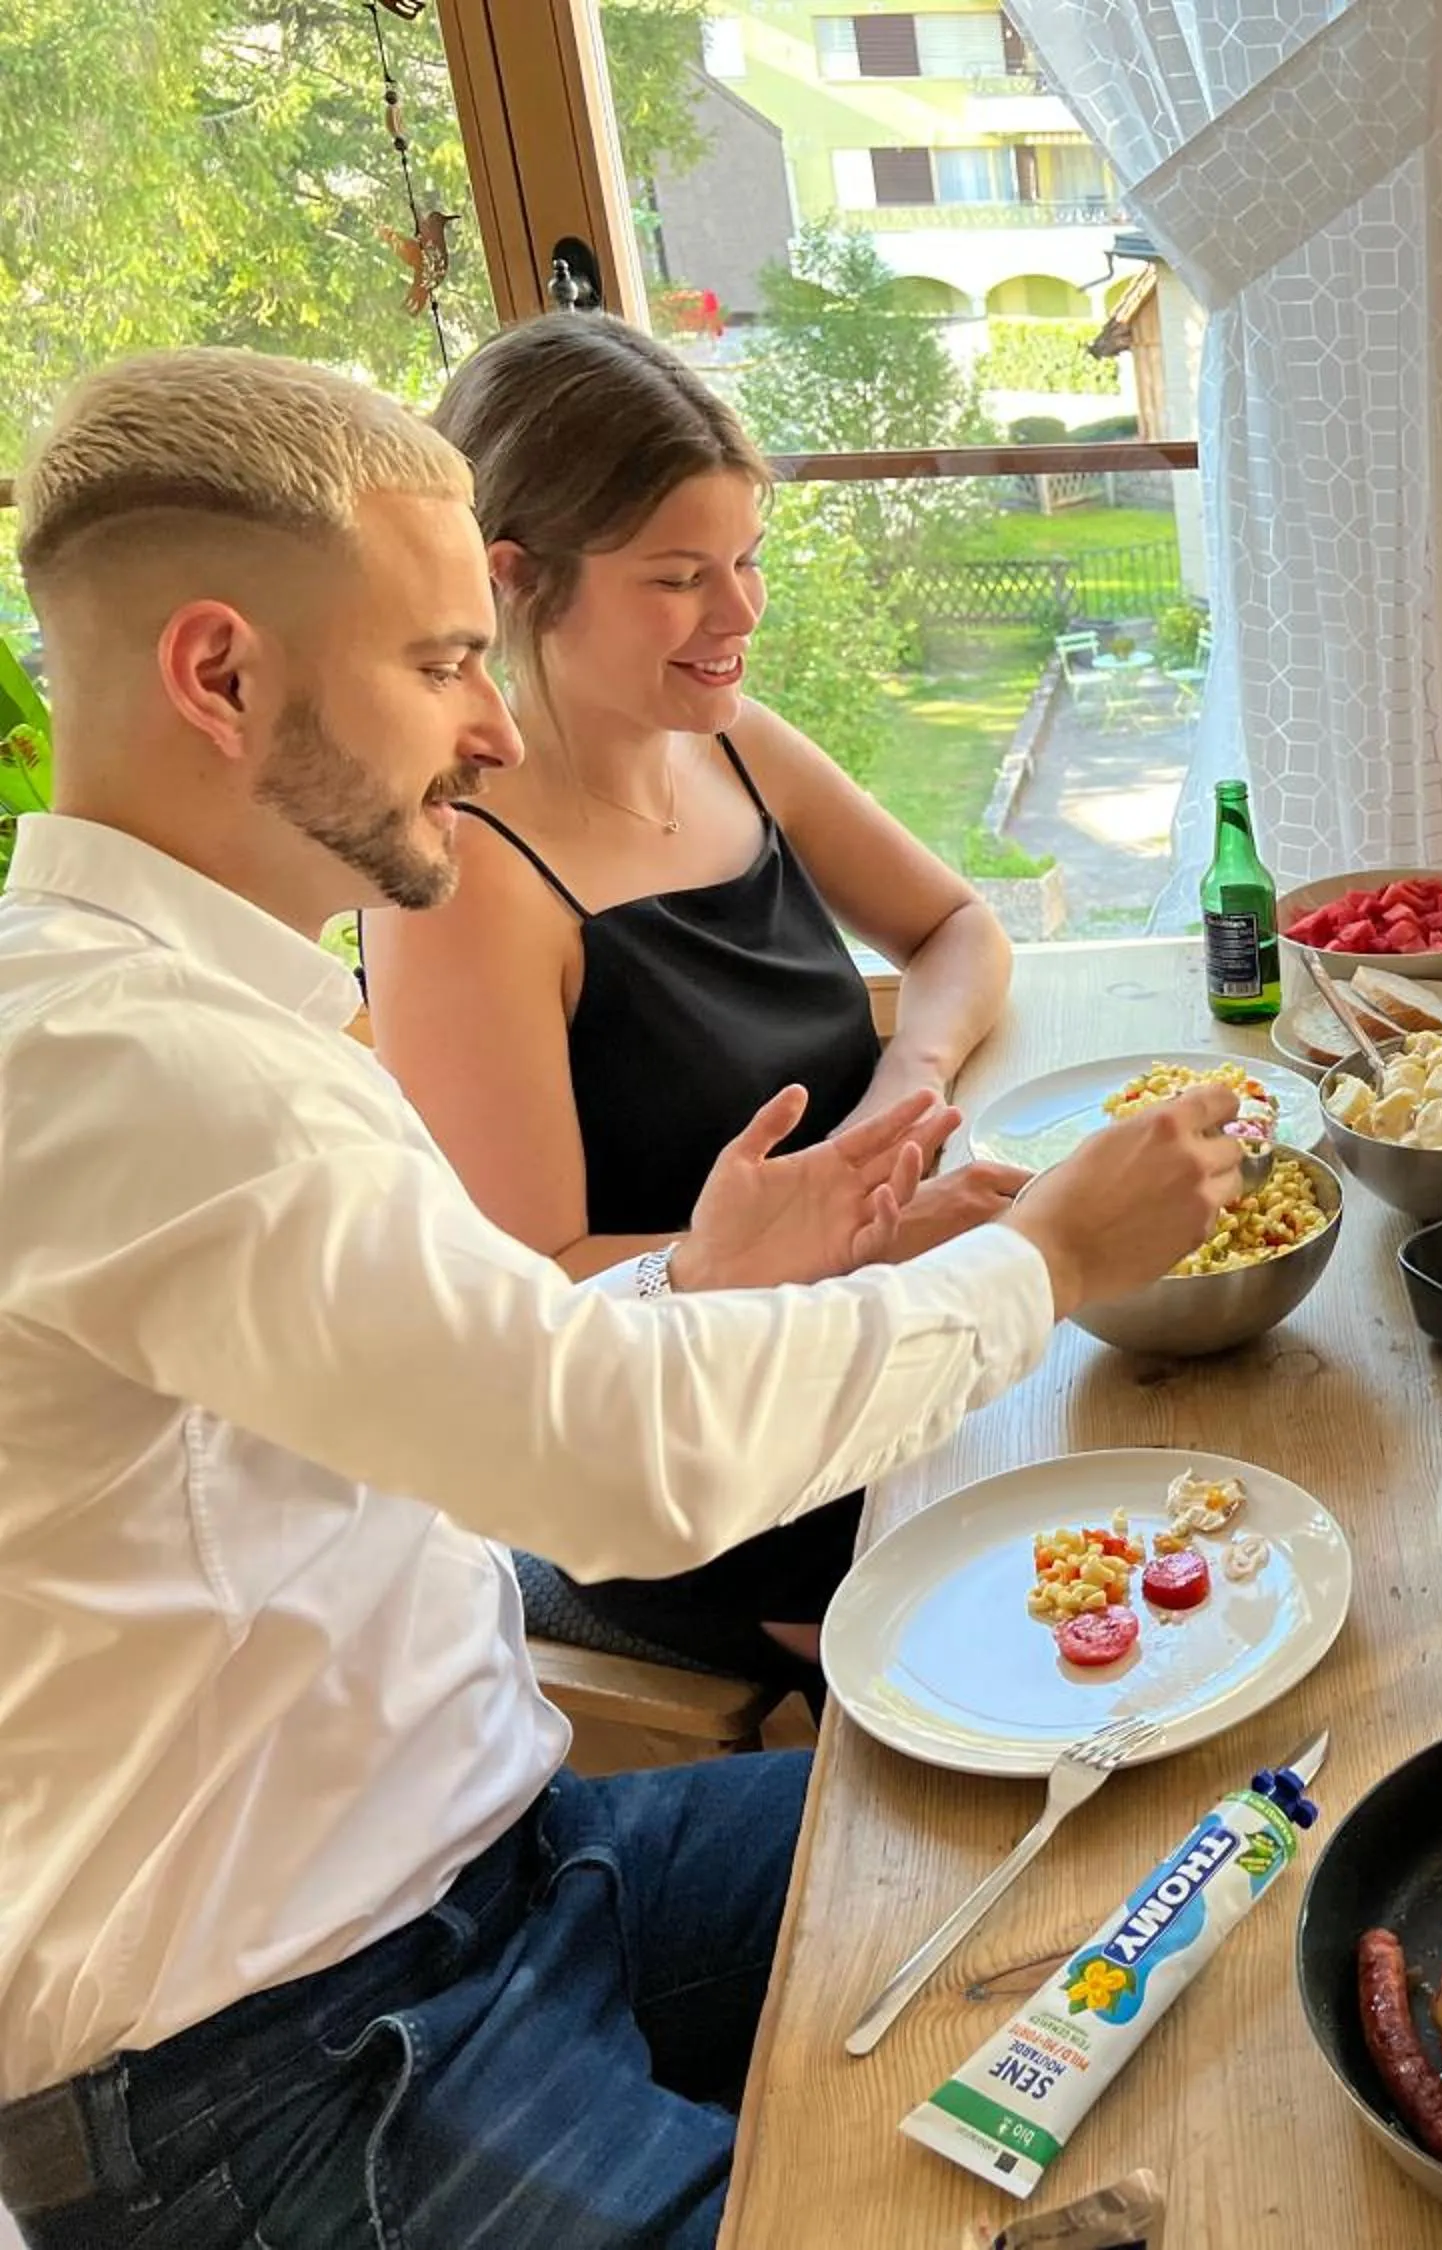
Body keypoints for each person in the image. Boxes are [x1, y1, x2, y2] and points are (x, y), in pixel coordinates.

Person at [0, 347, 1241, 2249]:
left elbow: (494, 1368)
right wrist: (1052, 1257)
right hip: (268, 2063)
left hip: (519, 1859)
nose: (488, 731)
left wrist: (692, 1270)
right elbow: (609, 1471)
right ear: (221, 675)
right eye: (438, 661)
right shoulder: (127, 1067)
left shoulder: (223, 1009)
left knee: (1171, 1839)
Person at [363, 314, 1016, 1692]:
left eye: (748, 561)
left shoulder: (725, 741)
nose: (741, 616)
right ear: (517, 580)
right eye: (679, 578)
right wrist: (852, 1243)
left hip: (859, 1326)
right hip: (701, 1473)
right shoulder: (464, 881)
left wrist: (913, 1084)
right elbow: (532, 1293)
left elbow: (959, 927)